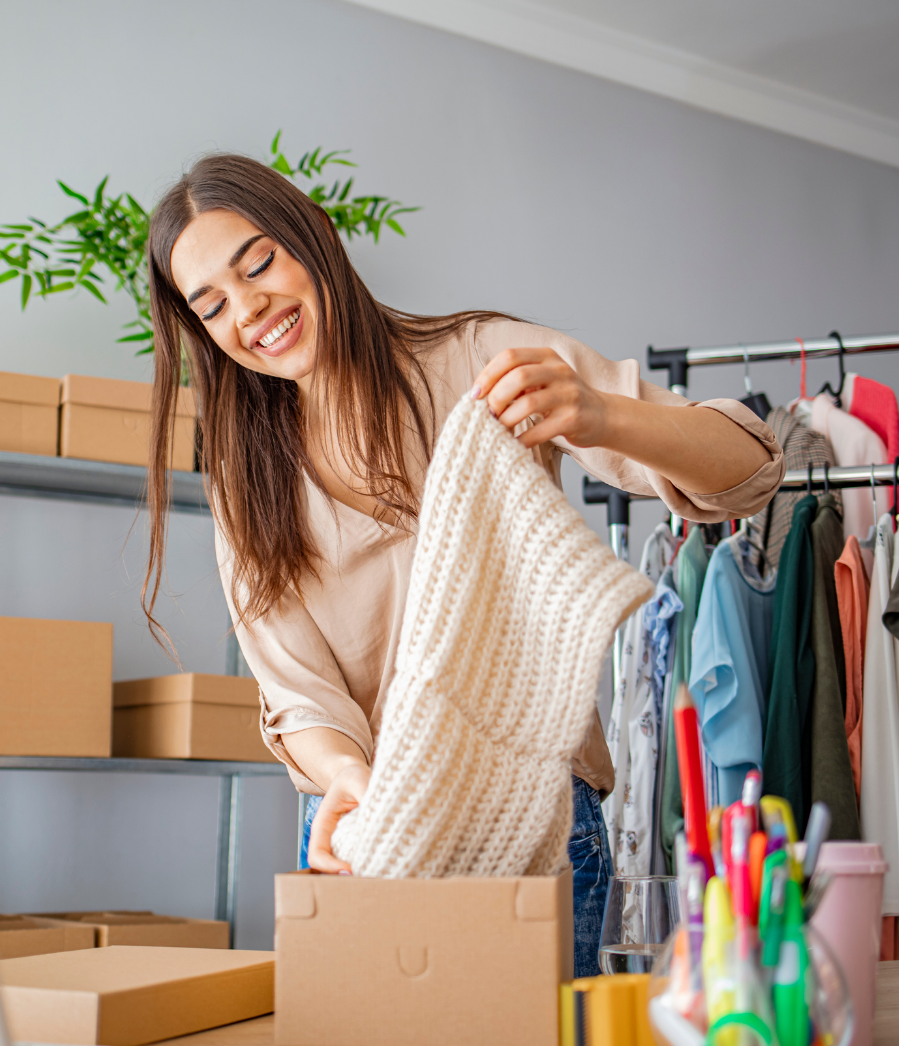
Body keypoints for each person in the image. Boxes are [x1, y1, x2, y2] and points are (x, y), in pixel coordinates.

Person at [143, 154, 783, 977]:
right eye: (212, 305)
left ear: (314, 237)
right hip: (365, 835)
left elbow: (751, 468)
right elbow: (296, 689)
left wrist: (600, 415)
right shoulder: (248, 473)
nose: (249, 308)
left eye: (258, 261)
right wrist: (348, 781)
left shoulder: (480, 360)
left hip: (535, 822)